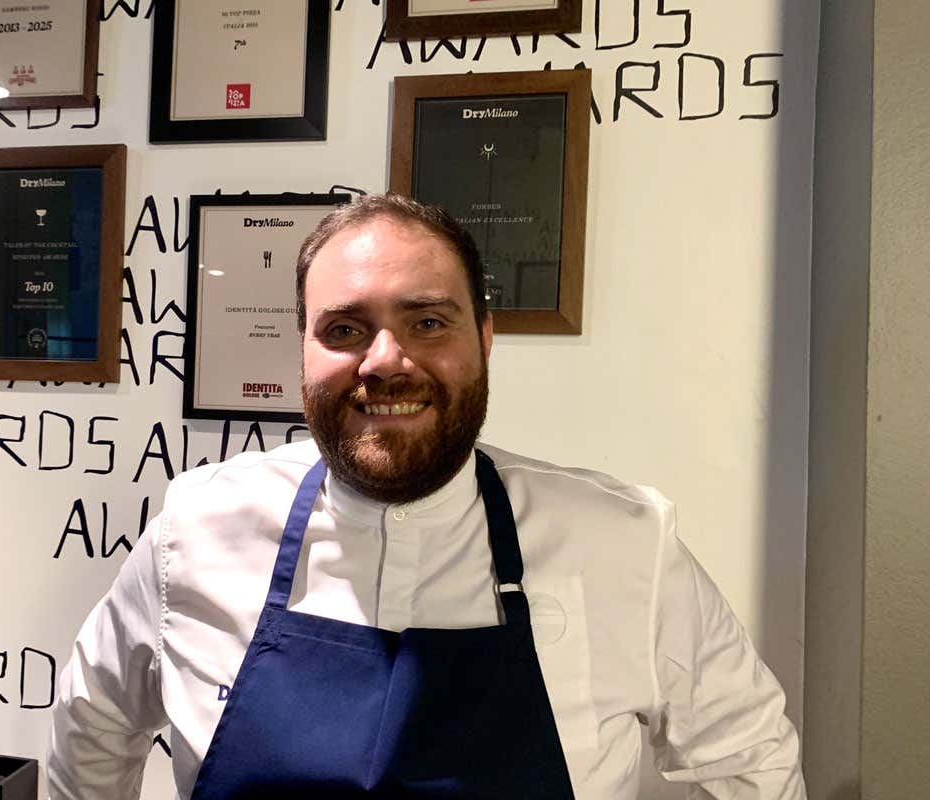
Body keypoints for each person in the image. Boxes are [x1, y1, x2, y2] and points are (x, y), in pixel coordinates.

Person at [47, 194, 806, 799]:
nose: (385, 361)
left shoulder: (623, 542)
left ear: (485, 338)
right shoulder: (196, 530)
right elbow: (92, 731)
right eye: (345, 329)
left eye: (428, 322)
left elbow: (752, 764)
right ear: (302, 349)